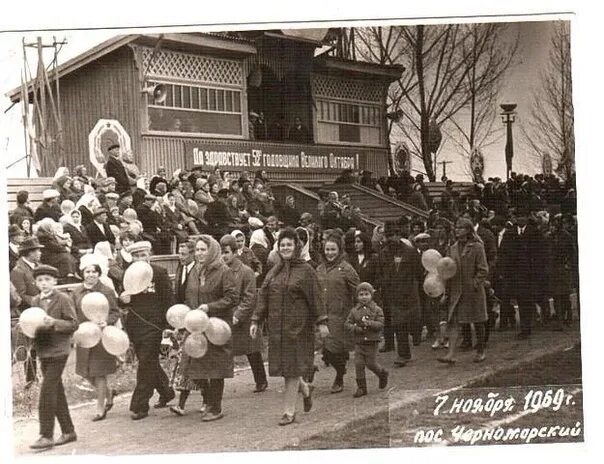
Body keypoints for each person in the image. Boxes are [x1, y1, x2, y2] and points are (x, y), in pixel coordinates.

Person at [251, 228, 329, 426]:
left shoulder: (306, 271)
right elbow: (264, 297)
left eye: (289, 244)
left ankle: (288, 411)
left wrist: (322, 322)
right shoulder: (274, 271)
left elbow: (316, 298)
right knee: (287, 369)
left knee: (291, 369)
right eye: (282, 244)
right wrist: (256, 320)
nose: (285, 248)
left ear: (296, 247)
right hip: (278, 330)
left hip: (298, 329)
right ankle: (305, 389)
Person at [184, 235, 238, 421]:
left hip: (217, 326)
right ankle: (208, 399)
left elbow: (232, 298)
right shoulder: (194, 271)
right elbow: (189, 295)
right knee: (195, 365)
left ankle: (216, 407)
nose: (199, 253)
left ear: (212, 251)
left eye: (203, 250)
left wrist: (210, 307)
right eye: (197, 250)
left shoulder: (224, 271)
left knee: (215, 368)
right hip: (197, 326)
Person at [120, 241, 175, 420]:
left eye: (143, 255)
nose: (139, 259)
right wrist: (123, 300)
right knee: (149, 361)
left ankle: (140, 404)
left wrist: (167, 326)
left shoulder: (159, 273)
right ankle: (166, 392)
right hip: (135, 325)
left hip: (154, 325)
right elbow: (123, 299)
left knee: (145, 363)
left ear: (149, 255)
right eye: (136, 256)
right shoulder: (128, 274)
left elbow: (168, 300)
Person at [29, 264, 78, 450]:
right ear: (35, 282)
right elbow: (32, 323)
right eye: (40, 280)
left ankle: (46, 435)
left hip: (59, 350)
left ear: (55, 281)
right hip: (43, 350)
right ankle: (69, 431)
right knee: (56, 391)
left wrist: (54, 322)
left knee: (47, 391)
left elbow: (74, 324)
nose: (44, 284)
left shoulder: (63, 298)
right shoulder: (34, 301)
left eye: (48, 280)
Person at [72, 257, 120, 421]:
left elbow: (115, 312)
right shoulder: (76, 292)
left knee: (99, 373)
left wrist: (107, 321)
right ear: (82, 273)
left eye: (94, 271)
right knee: (86, 373)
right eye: (87, 271)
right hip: (84, 335)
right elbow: (73, 314)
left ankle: (100, 408)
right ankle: (108, 392)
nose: (91, 274)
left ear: (99, 273)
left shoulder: (106, 291)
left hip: (101, 336)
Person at [438, 218, 489, 364]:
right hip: (456, 291)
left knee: (478, 321)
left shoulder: (477, 247)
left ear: (468, 230)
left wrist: (475, 283)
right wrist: (446, 293)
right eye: (456, 227)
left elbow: (483, 269)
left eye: (460, 228)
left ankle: (481, 350)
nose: (457, 230)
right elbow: (447, 270)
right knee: (454, 321)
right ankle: (451, 354)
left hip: (473, 291)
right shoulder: (452, 248)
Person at [220, 235, 268, 393]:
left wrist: (238, 314)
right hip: (227, 314)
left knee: (251, 350)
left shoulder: (245, 271)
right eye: (221, 252)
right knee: (222, 349)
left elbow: (249, 297)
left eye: (226, 252)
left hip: (244, 318)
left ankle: (261, 380)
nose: (223, 256)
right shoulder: (220, 271)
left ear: (234, 252)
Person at [317, 234, 360, 393]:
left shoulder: (346, 269)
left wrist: (358, 311)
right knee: (326, 350)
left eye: (333, 249)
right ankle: (339, 370)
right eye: (327, 249)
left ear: (339, 250)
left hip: (340, 316)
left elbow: (358, 291)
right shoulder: (319, 269)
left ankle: (339, 376)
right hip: (323, 315)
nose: (330, 253)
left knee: (333, 349)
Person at [377, 221, 422, 366]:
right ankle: (403, 354)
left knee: (408, 322)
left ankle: (409, 347)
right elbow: (381, 272)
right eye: (388, 236)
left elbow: (418, 272)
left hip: (408, 292)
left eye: (393, 235)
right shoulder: (383, 253)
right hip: (391, 294)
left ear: (399, 235)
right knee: (398, 323)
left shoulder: (410, 252)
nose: (390, 239)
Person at [344, 282, 389, 397]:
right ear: (357, 296)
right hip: (359, 341)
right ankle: (362, 388)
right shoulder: (354, 311)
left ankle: (382, 374)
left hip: (371, 341)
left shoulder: (377, 309)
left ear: (371, 295)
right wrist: (356, 328)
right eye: (361, 294)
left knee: (371, 363)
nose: (364, 297)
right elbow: (347, 324)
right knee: (358, 364)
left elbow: (380, 324)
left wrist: (370, 323)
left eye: (366, 294)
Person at [10, 237, 43, 386]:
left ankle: (40, 377)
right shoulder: (18, 270)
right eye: (37, 250)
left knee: (42, 344)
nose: (40, 253)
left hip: (40, 309)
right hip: (28, 312)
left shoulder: (37, 266)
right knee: (30, 346)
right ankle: (31, 378)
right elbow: (21, 294)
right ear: (29, 252)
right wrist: (37, 302)